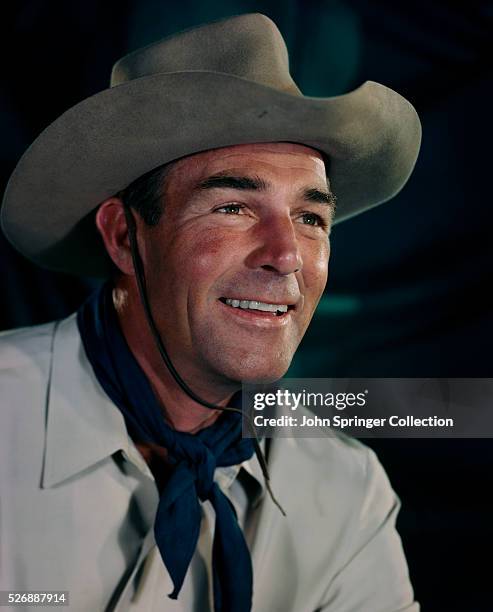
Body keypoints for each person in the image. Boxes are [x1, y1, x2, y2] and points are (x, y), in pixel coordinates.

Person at [0, 13, 421, 612]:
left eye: (311, 218)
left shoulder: (346, 491)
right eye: (231, 207)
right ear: (124, 237)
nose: (285, 257)